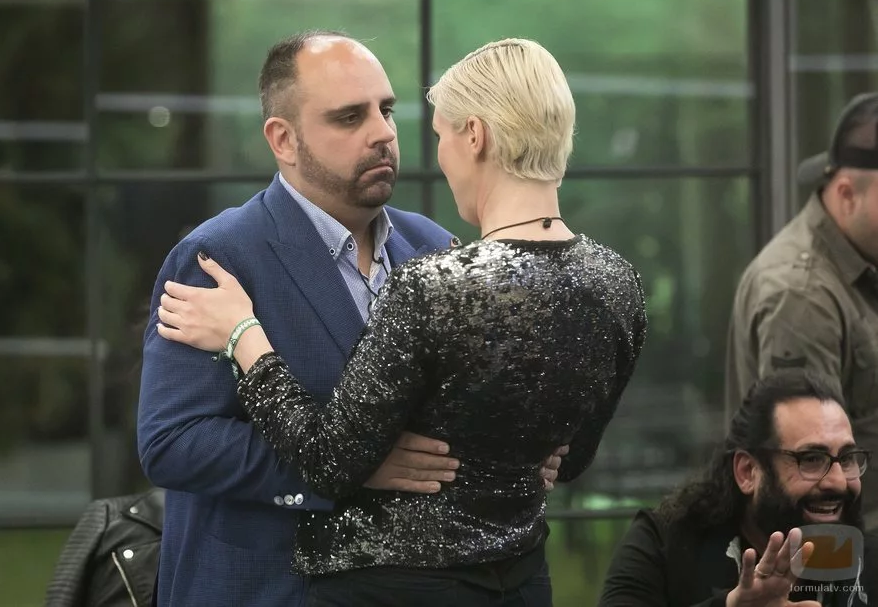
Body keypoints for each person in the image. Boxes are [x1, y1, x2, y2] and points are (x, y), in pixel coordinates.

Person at [156, 37, 647, 606]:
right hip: (266, 585)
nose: (384, 133)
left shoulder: (434, 250)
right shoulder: (218, 256)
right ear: (283, 139)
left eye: (386, 111)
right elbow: (172, 442)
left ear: (474, 135)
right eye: (350, 117)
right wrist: (365, 465)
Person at [725, 93, 878, 534]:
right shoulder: (802, 296)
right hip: (836, 552)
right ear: (846, 194)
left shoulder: (862, 258)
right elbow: (809, 481)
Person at [599, 371, 877, 607]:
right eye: (812, 459)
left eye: (847, 458)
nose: (838, 481)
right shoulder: (664, 544)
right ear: (747, 472)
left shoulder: (870, 562)